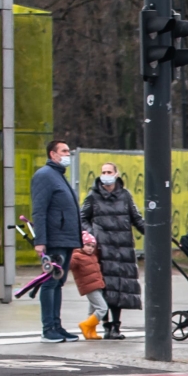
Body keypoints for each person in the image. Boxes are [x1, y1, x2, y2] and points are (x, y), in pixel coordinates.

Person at [81, 161, 145, 339]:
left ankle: (116, 326)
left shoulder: (125, 195)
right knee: (105, 286)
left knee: (120, 287)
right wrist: (93, 234)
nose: (106, 174)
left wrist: (152, 232)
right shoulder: (93, 196)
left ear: (116, 174)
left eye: (109, 171)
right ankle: (107, 325)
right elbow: (82, 218)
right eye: (103, 171)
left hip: (122, 247)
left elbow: (136, 218)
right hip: (102, 248)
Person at [29, 139, 84, 342]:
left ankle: (57, 326)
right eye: (64, 151)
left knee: (58, 282)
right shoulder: (45, 176)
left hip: (66, 238)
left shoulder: (58, 176)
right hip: (55, 239)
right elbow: (39, 210)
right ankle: (48, 328)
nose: (68, 154)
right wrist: (40, 241)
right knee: (50, 283)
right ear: (53, 154)